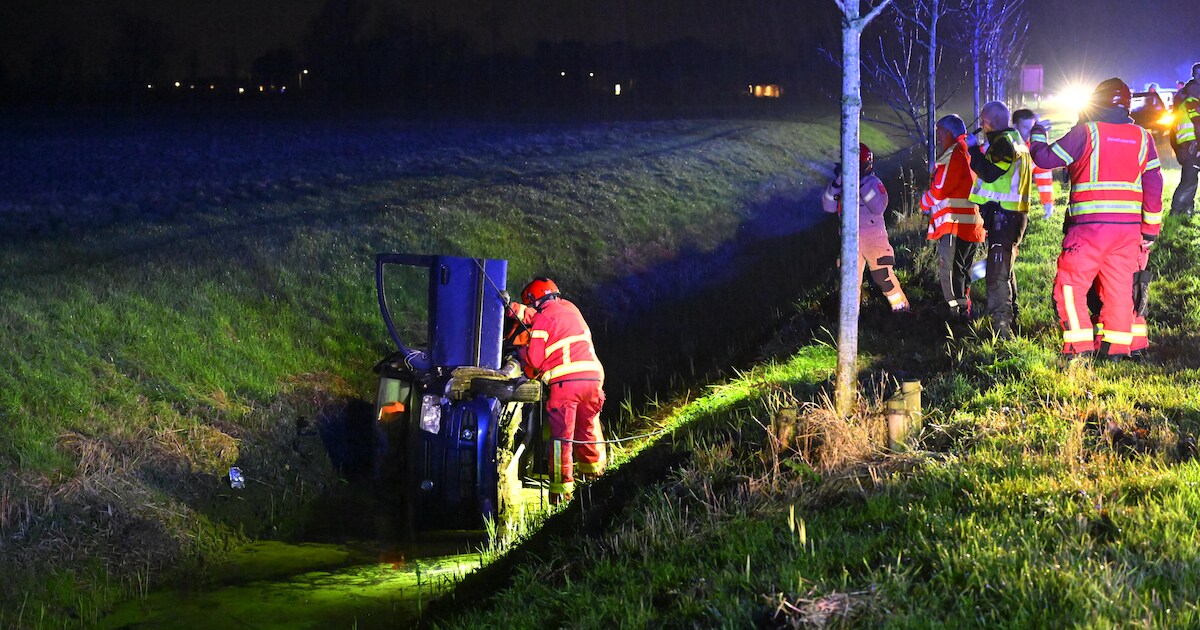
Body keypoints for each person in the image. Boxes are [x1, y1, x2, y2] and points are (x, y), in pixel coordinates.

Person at [1029, 78, 1164, 360]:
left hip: (1088, 230)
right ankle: (1116, 350)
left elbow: (1044, 158)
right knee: (1119, 290)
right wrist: (1150, 229)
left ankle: (1079, 349)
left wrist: (1038, 133)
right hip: (1128, 233)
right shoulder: (1143, 137)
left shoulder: (1085, 132)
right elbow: (1154, 184)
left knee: (1070, 286)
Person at [508, 277, 606, 505]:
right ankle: (593, 478)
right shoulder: (571, 308)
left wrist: (523, 356)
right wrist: (517, 311)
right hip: (594, 378)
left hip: (566, 385)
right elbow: (546, 320)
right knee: (587, 429)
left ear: (534, 299)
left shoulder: (542, 317)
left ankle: (560, 494)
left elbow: (535, 358)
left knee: (561, 439)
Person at [967, 101, 1034, 338]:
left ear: (992, 122)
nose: (981, 125)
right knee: (1005, 269)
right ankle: (1011, 317)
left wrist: (973, 149)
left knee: (996, 274)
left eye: (983, 121)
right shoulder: (1014, 140)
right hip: (1011, 215)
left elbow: (989, 172)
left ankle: (1002, 330)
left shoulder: (1004, 142)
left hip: (1005, 217)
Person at [822, 143, 910, 313]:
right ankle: (851, 319)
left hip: (874, 240)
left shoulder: (873, 182)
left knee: (883, 277)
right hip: (849, 241)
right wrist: (837, 184)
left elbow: (878, 206)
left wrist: (859, 184)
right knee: (849, 282)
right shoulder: (840, 185)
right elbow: (828, 206)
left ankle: (902, 311)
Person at [920, 114, 985, 317]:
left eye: (940, 133)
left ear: (949, 132)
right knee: (962, 269)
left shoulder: (954, 152)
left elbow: (940, 188)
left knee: (949, 271)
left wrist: (924, 202)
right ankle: (964, 308)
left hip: (955, 226)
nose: (938, 138)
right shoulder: (966, 150)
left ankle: (956, 314)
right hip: (969, 223)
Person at [1012, 109, 1057, 219]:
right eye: (1025, 128)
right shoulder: (1007, 144)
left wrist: (1048, 203)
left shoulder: (1032, 147)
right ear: (1014, 127)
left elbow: (1043, 175)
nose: (1029, 132)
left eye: (1032, 128)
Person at [1170, 62, 1200, 216]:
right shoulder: (1193, 96)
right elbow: (1198, 123)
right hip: (1191, 144)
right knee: (1189, 179)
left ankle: (1188, 209)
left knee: (1191, 177)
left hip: (1185, 143)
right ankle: (1176, 211)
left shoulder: (1185, 94)